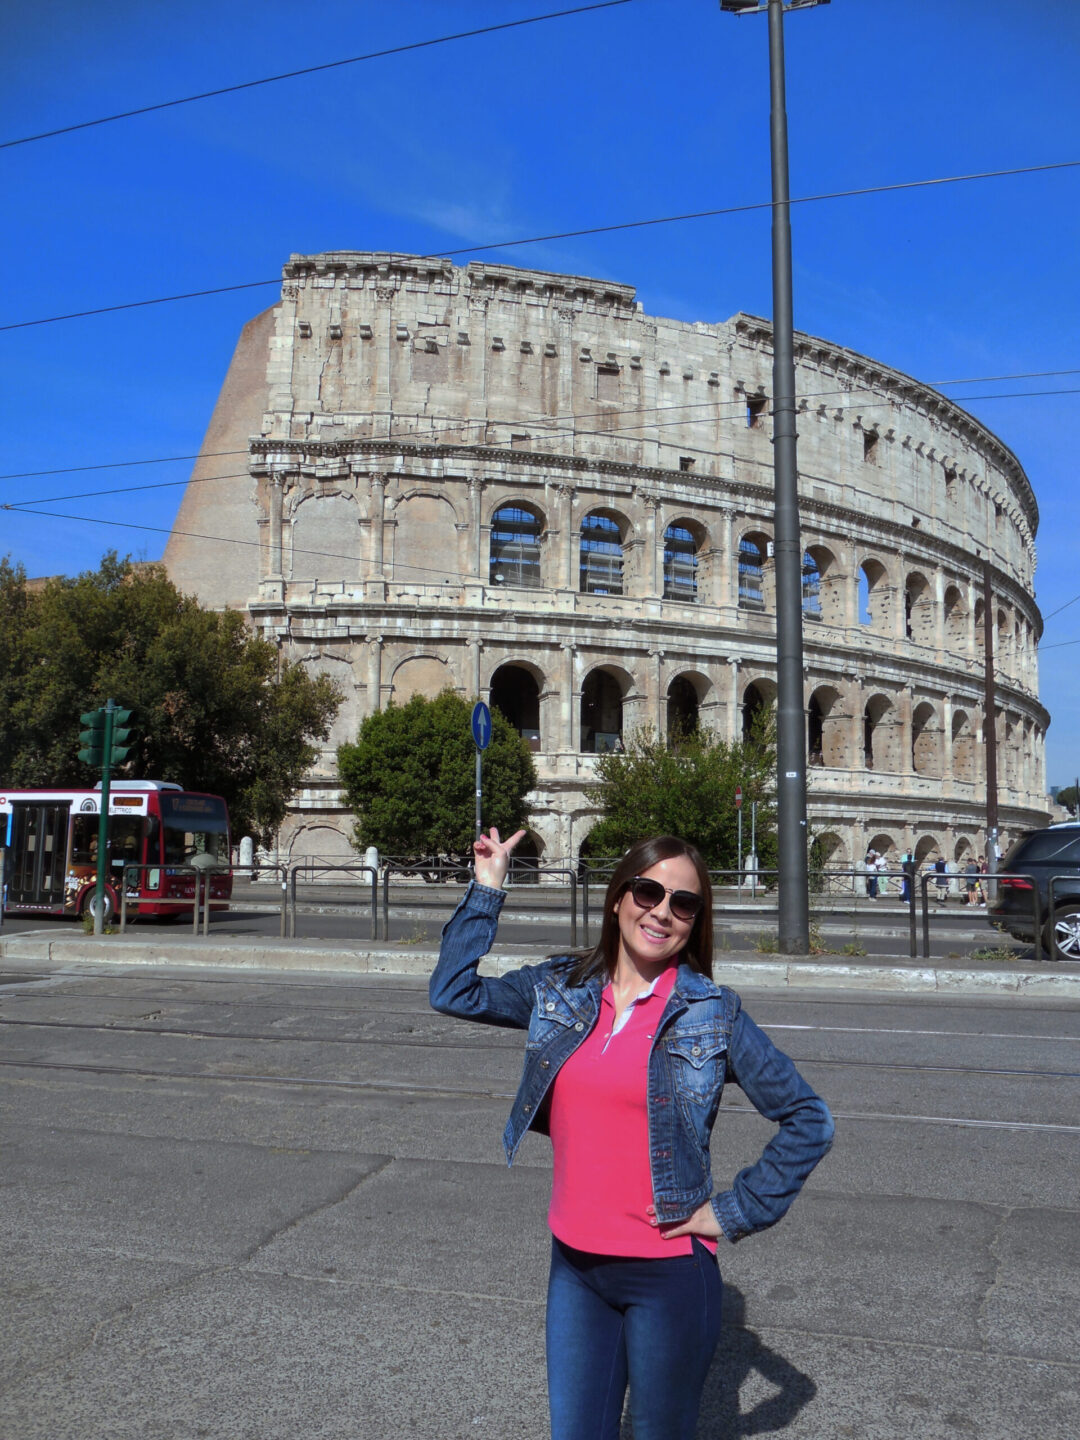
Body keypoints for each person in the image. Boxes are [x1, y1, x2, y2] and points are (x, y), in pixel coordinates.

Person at [430, 829, 834, 1440]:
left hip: (668, 1274)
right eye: (648, 891)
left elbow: (809, 1118)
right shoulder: (559, 989)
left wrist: (732, 1212)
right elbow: (452, 992)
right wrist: (488, 889)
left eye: (684, 903)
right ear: (619, 897)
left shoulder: (712, 1012)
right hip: (575, 1268)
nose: (662, 912)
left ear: (695, 922)